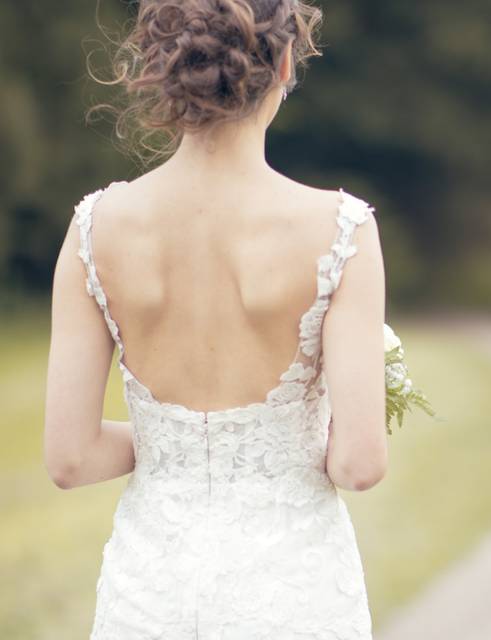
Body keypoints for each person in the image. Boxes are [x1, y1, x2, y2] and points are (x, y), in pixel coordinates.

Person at [42, 1, 387, 637]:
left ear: (165, 69)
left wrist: (182, 448)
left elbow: (70, 458)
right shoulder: (342, 231)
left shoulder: (95, 228)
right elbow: (358, 465)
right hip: (293, 589)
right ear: (284, 64)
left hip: (151, 592)